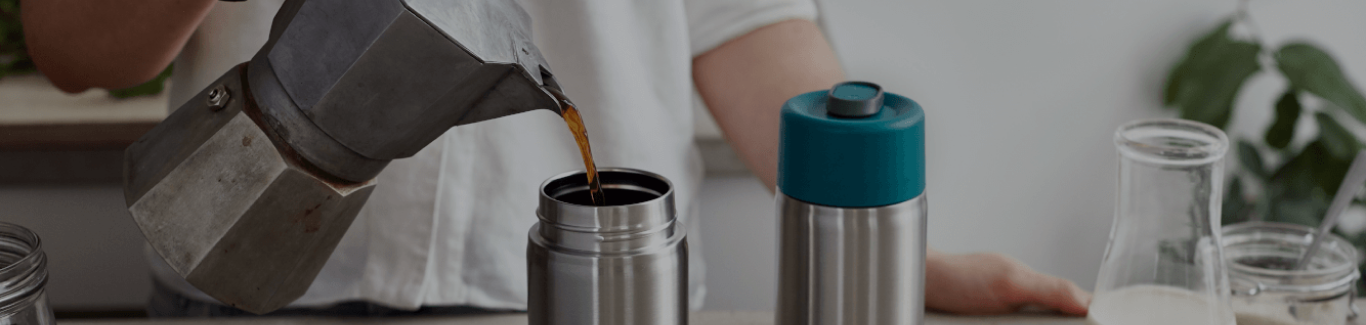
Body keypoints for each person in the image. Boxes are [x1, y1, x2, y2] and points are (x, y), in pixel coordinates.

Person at [23, 0, 1090, 317]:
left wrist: (899, 255)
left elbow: (741, 19)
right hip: (240, 294)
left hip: (596, 298)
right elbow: (70, 44)